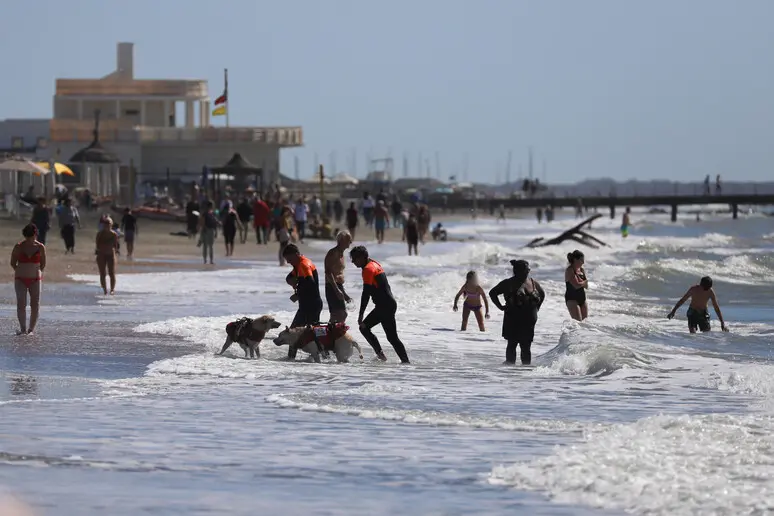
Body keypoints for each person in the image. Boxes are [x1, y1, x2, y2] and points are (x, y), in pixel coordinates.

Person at [350, 246, 410, 363]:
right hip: (388, 304)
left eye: (354, 259)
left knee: (364, 327)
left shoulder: (368, 269)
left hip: (384, 306)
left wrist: (361, 315)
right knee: (392, 338)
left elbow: (366, 293)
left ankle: (382, 355)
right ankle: (404, 362)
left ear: (362, 258)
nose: (353, 261)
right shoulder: (373, 263)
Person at [489, 259, 545, 365]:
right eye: (525, 269)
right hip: (513, 319)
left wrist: (537, 308)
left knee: (526, 346)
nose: (528, 271)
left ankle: (524, 372)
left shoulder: (533, 283)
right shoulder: (508, 283)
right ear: (517, 271)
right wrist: (500, 306)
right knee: (512, 344)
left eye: (528, 269)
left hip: (528, 321)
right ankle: (510, 373)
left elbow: (542, 294)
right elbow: (492, 293)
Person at [284, 244, 323, 358]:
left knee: (292, 333)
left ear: (296, 255)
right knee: (314, 334)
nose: (288, 262)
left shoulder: (303, 264)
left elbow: (310, 283)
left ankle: (290, 359)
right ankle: (323, 358)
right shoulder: (299, 264)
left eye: (289, 259)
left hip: (310, 306)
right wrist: (292, 282)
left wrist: (297, 294)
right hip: (311, 304)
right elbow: (289, 277)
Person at [10, 224, 46, 334]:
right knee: (21, 303)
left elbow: (43, 264)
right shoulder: (19, 246)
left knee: (35, 304)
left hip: (35, 279)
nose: (30, 239)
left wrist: (35, 271)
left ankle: (31, 330)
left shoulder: (40, 247)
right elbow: (12, 263)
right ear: (25, 236)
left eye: (32, 236)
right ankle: (23, 329)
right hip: (20, 279)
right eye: (28, 237)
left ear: (35, 235)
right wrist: (20, 270)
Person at [324, 230, 354, 322]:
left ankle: (333, 334)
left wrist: (344, 294)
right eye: (349, 239)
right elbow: (328, 272)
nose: (351, 242)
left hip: (338, 286)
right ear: (341, 240)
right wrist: (336, 290)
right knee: (339, 314)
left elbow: (338, 273)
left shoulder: (341, 254)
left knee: (341, 315)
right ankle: (331, 334)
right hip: (332, 286)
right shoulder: (333, 253)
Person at [95, 217, 119, 295]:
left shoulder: (114, 234)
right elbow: (97, 244)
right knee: (102, 274)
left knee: (111, 273)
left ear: (111, 225)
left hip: (110, 254)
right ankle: (105, 290)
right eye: (105, 224)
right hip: (101, 254)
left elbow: (115, 246)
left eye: (108, 224)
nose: (107, 226)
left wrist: (115, 253)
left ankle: (112, 290)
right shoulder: (100, 234)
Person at [565, 250, 588, 321]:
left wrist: (582, 283)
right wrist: (584, 282)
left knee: (585, 324)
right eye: (581, 260)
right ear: (575, 260)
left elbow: (586, 286)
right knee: (578, 323)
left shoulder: (582, 270)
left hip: (582, 299)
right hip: (572, 299)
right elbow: (576, 286)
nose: (583, 262)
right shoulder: (570, 270)